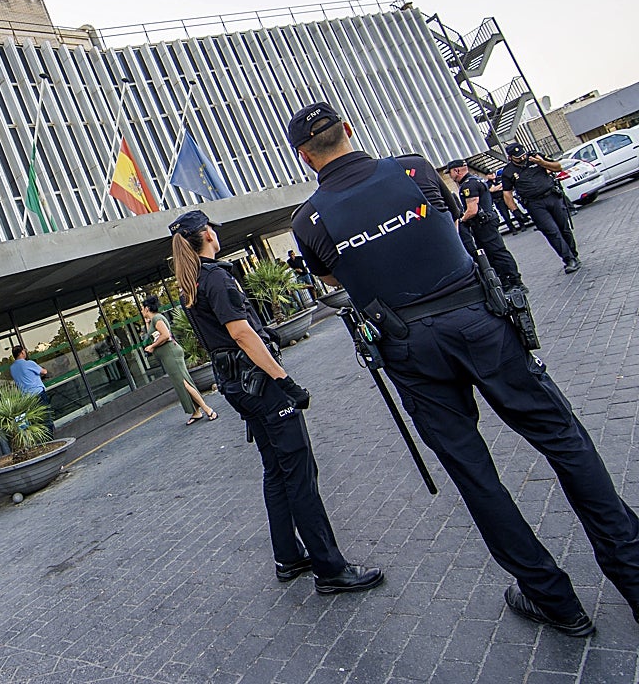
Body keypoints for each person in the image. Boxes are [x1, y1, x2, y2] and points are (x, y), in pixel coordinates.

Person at [287, 100, 639, 637]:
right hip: (478, 320)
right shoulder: (413, 169)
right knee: (561, 437)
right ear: (349, 131)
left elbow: (335, 279)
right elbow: (448, 224)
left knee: (475, 474)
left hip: (409, 346)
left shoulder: (308, 220)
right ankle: (634, 574)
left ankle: (554, 599)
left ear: (305, 158)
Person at [168, 209, 383, 595]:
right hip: (260, 385)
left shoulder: (192, 282)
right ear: (206, 235)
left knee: (276, 470)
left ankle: (288, 555)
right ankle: (330, 568)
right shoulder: (216, 277)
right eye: (212, 228)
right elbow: (242, 335)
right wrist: (285, 381)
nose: (216, 232)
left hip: (236, 386)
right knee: (299, 470)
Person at [500, 142, 580, 273]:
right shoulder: (508, 172)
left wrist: (541, 162)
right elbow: (507, 193)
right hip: (534, 204)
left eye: (523, 155)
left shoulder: (537, 158)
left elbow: (558, 167)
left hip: (552, 197)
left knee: (564, 228)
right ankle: (568, 259)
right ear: (510, 157)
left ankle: (573, 254)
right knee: (552, 231)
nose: (522, 158)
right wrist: (515, 211)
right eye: (517, 157)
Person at [444, 159, 523, 288]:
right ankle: (507, 281)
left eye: (450, 173)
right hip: (486, 222)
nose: (451, 176)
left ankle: (515, 281)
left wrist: (462, 221)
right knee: (493, 254)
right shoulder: (476, 180)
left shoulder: (468, 185)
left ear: (456, 170)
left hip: (484, 224)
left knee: (497, 252)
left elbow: (472, 210)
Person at [140, 295, 218, 425]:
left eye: (142, 309)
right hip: (168, 356)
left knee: (184, 383)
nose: (141, 311)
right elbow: (151, 335)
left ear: (147, 308)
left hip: (171, 355)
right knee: (181, 384)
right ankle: (196, 412)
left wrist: (152, 347)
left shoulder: (158, 319)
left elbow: (166, 335)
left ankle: (207, 409)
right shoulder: (153, 320)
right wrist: (146, 321)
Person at [10, 345, 55, 433]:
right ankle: (50, 436)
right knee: (46, 416)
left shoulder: (12, 368)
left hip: (27, 398)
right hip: (38, 393)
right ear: (22, 352)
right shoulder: (28, 363)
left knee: (37, 418)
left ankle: (43, 436)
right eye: (25, 351)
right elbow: (44, 372)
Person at [489, 168, 529, 233]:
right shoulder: (488, 183)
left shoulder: (500, 179)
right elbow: (492, 190)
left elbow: (507, 186)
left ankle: (522, 225)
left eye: (493, 173)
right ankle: (513, 229)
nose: (492, 175)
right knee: (506, 216)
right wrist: (501, 186)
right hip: (499, 201)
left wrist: (498, 187)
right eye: (490, 174)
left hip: (507, 197)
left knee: (515, 211)